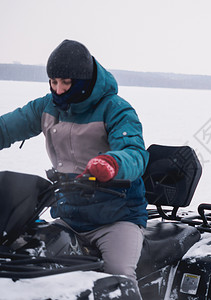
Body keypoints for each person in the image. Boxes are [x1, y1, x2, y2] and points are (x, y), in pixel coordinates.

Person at [0, 40, 149, 296]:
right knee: (32, 263)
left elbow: (135, 154)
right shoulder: (46, 107)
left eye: (65, 82)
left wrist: (111, 163)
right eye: (53, 82)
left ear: (84, 80)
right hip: (70, 216)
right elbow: (7, 127)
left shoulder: (115, 108)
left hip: (116, 218)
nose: (58, 90)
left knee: (119, 276)